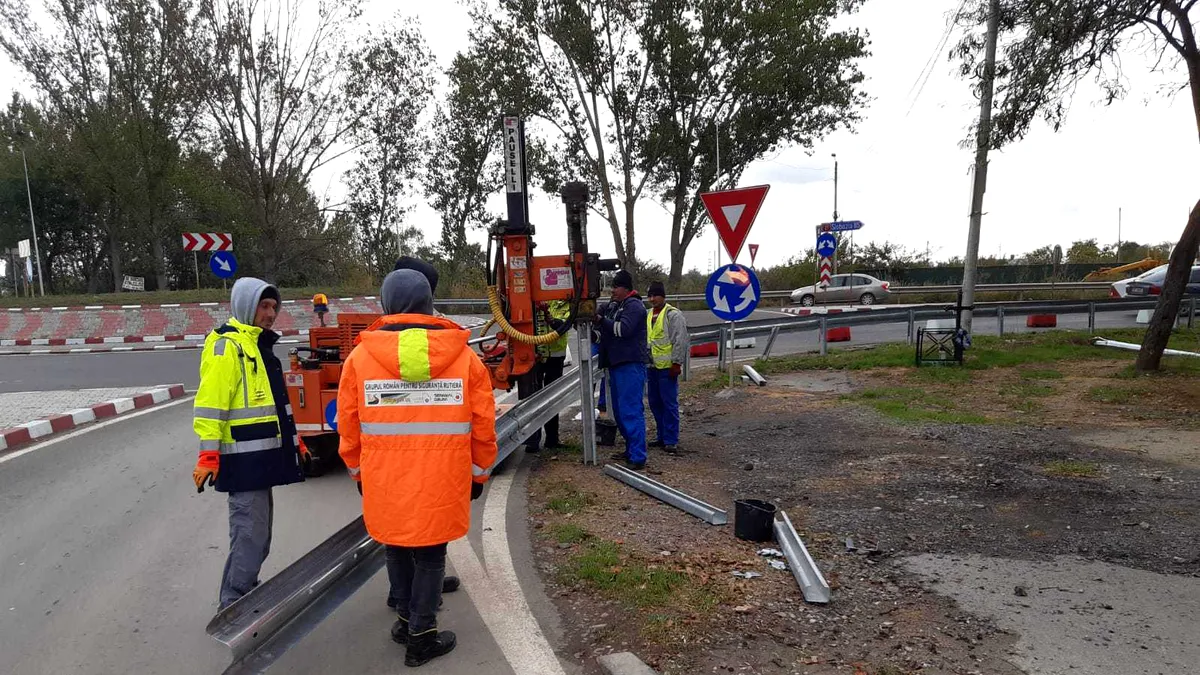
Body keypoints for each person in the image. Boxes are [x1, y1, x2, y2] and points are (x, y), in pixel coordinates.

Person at [337, 269, 497, 667]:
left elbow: (348, 425)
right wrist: (478, 473)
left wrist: (357, 472)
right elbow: (483, 423)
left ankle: (407, 618)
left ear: (386, 305)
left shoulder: (359, 360)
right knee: (430, 553)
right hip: (442, 477)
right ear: (429, 303)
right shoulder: (464, 358)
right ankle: (421, 636)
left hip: (385, 478)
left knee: (396, 546)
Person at [192, 277, 309, 610]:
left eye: (274, 307)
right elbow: (211, 406)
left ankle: (245, 591)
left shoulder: (260, 346)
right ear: (245, 305)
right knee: (249, 535)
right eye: (264, 306)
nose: (270, 314)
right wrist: (208, 456)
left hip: (261, 458)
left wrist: (296, 443)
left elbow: (279, 407)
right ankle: (233, 603)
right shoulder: (226, 347)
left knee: (261, 537)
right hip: (242, 461)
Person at [595, 269, 649, 469]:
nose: (612, 291)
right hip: (617, 365)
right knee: (619, 410)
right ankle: (630, 450)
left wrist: (601, 321)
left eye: (616, 287)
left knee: (630, 410)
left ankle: (638, 456)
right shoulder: (616, 306)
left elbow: (622, 330)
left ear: (625, 288)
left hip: (630, 365)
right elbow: (605, 332)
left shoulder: (634, 307)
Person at [645, 281, 688, 455]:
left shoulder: (673, 315)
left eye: (655, 295)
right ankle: (662, 436)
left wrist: (677, 363)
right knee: (655, 403)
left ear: (663, 296)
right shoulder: (648, 315)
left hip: (667, 368)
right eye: (650, 296)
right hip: (652, 367)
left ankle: (671, 440)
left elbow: (680, 340)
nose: (652, 299)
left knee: (669, 404)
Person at [532, 300, 571, 449]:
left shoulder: (568, 305)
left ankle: (552, 439)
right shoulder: (538, 298)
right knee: (533, 399)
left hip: (555, 357)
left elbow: (565, 325)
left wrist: (551, 320)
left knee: (552, 399)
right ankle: (533, 441)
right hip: (536, 355)